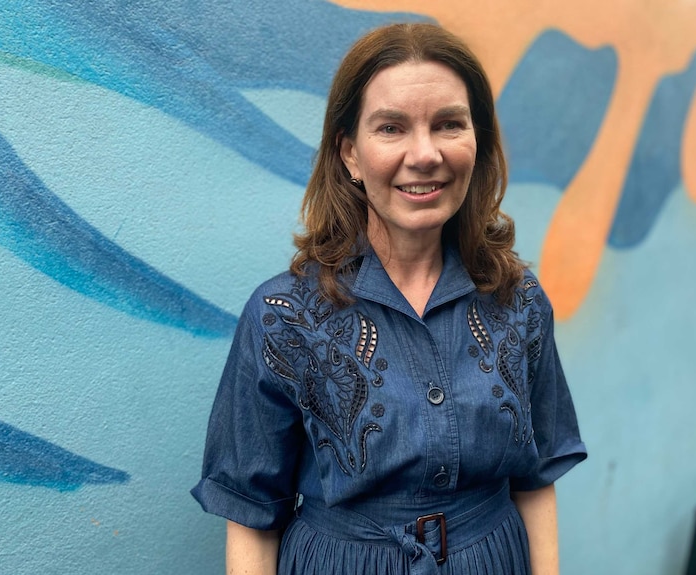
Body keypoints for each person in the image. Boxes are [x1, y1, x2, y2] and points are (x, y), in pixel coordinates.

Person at [192, 22, 587, 575]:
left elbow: (536, 477)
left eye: (449, 124)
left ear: (478, 142)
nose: (424, 154)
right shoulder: (283, 318)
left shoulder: (517, 302)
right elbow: (252, 514)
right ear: (350, 154)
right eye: (391, 128)